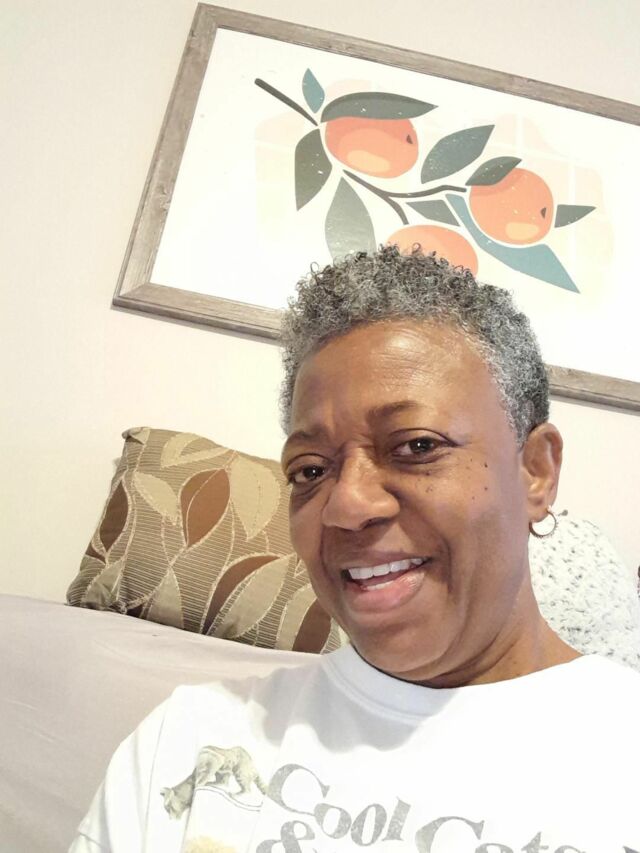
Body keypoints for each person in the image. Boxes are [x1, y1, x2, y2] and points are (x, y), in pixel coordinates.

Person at [70, 247, 640, 852]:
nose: (345, 505)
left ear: (535, 472)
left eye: (416, 446)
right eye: (310, 471)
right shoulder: (193, 742)